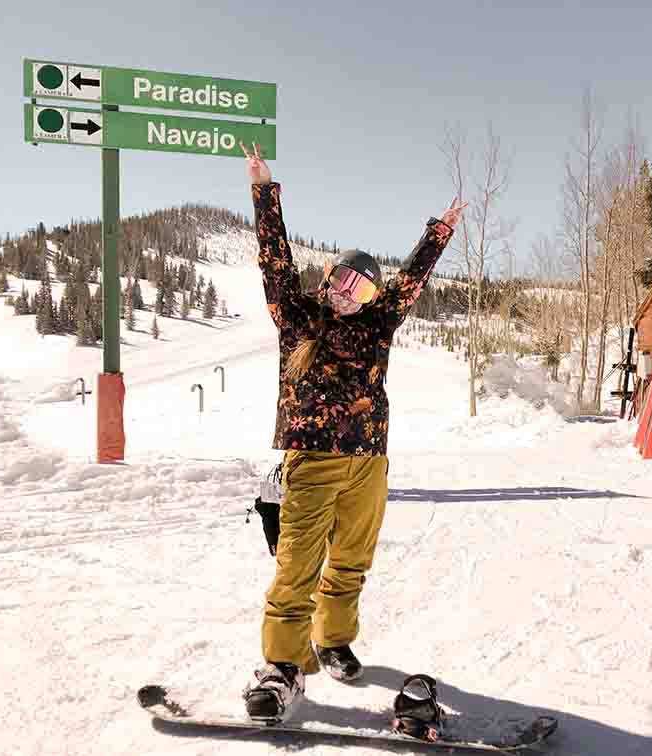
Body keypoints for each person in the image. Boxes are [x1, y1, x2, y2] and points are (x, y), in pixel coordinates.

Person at [239, 142, 466, 721]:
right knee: (297, 565)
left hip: (369, 461)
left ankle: (333, 640)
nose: (348, 293)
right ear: (329, 277)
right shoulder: (295, 313)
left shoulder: (377, 326)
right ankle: (282, 666)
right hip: (310, 461)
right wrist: (264, 189)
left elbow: (412, 281)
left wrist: (438, 233)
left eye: (362, 288)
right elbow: (273, 259)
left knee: (351, 560)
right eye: (343, 281)